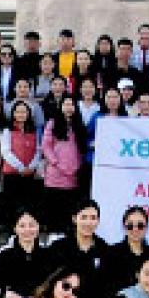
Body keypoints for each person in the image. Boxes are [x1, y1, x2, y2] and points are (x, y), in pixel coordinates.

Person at [47, 198, 110, 298]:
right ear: (74, 219)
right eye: (84, 217)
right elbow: (51, 282)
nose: (88, 222)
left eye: (93, 218)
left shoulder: (104, 248)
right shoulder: (58, 247)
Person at [0, 208, 52, 298]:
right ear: (15, 228)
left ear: (38, 227)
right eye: (22, 226)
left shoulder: (47, 254)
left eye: (32, 225)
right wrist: (6, 294)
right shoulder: (3, 254)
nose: (27, 230)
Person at [41, 95, 86, 234]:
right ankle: (53, 234)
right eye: (65, 104)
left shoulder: (79, 125)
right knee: (54, 207)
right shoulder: (52, 123)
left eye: (71, 104)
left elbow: (81, 148)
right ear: (60, 107)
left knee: (69, 207)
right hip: (55, 173)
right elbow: (46, 145)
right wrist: (55, 162)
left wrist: (77, 166)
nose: (68, 107)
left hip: (72, 173)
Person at [1, 99, 42, 223]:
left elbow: (38, 150)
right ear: (13, 113)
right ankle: (11, 227)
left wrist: (31, 166)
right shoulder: (7, 130)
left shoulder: (33, 130)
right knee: (12, 203)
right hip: (12, 173)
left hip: (30, 173)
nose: (21, 114)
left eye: (24, 112)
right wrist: (20, 167)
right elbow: (6, 151)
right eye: (18, 112)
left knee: (28, 202)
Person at [104, 205, 149, 295]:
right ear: (124, 226)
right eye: (130, 225)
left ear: (146, 227)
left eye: (140, 225)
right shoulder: (111, 253)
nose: (135, 229)